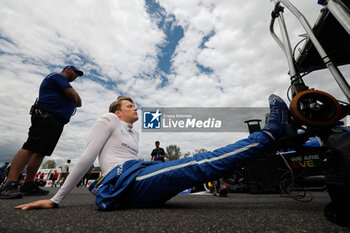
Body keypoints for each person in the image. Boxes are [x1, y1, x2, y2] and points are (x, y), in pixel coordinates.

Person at [15, 94, 293, 211]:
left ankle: (287, 137)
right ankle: (270, 135)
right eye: (130, 105)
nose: (136, 108)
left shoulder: (135, 132)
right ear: (117, 110)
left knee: (194, 166)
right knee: (198, 165)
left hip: (137, 175)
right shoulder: (107, 120)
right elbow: (88, 157)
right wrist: (56, 199)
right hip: (120, 182)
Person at [0, 66, 83, 199]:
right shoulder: (57, 77)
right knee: (31, 146)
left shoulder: (63, 82)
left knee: (41, 152)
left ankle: (28, 184)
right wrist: (76, 97)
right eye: (75, 73)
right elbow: (74, 96)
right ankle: (9, 183)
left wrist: (76, 99)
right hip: (46, 116)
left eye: (78, 75)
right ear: (67, 69)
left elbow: (79, 103)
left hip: (56, 120)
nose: (76, 76)